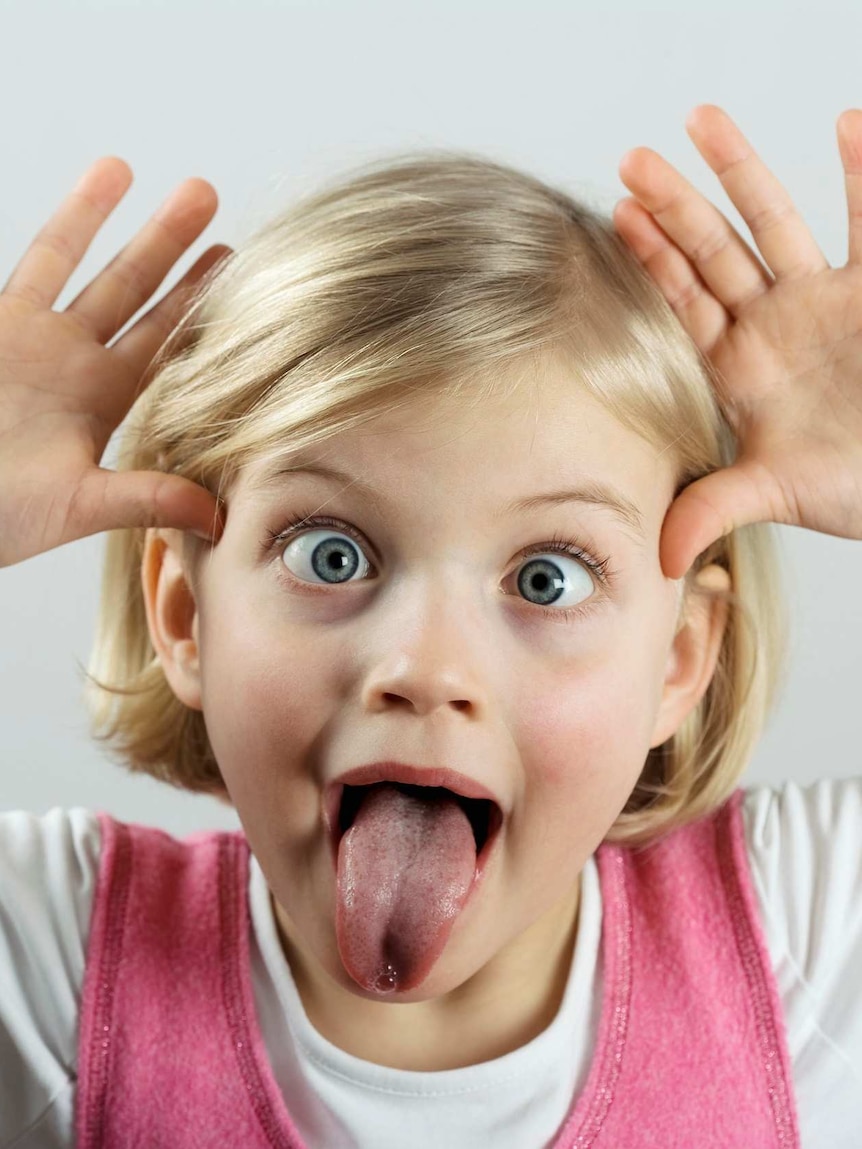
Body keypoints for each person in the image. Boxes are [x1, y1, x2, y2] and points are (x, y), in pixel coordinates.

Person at [0, 103, 860, 1147]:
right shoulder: (54, 952)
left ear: (678, 661)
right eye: (333, 554)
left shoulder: (801, 937)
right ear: (185, 615)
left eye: (546, 578)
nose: (425, 667)